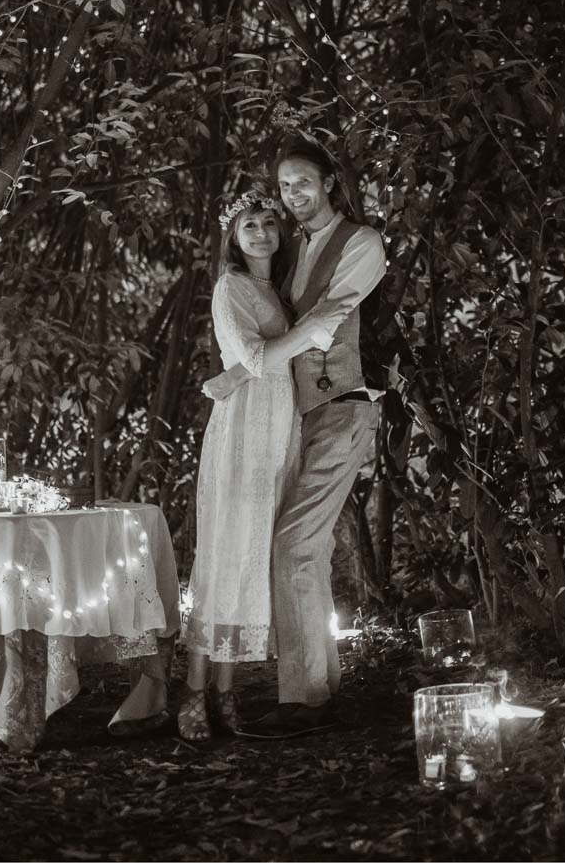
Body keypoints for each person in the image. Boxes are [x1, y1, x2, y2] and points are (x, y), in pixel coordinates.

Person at [204, 135, 387, 738]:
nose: (293, 194)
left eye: (302, 181)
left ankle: (304, 700)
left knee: (293, 545)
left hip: (342, 407)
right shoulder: (288, 256)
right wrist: (242, 370)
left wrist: (241, 370)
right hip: (298, 418)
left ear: (330, 181)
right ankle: (322, 687)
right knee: (309, 547)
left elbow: (329, 319)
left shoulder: (360, 243)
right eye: (284, 186)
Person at [180, 189, 345, 741]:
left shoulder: (273, 289)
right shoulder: (231, 287)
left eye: (269, 223)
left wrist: (299, 336)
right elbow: (251, 358)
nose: (261, 232)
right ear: (233, 235)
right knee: (227, 554)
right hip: (244, 432)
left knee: (253, 557)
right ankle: (193, 692)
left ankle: (226, 692)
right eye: (249, 224)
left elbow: (266, 361)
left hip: (280, 431)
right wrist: (310, 331)